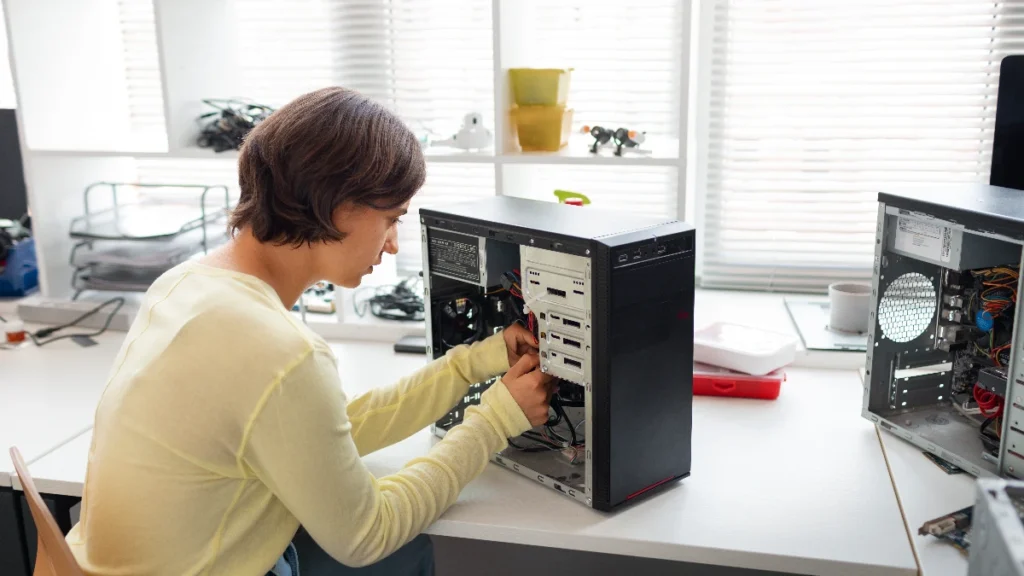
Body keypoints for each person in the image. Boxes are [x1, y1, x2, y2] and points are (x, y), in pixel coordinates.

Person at [66, 87, 555, 575]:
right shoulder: (277, 351)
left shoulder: (184, 285)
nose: (392, 244)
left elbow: (319, 433)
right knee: (400, 551)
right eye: (391, 218)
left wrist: (473, 363)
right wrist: (495, 421)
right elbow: (367, 535)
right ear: (339, 203)